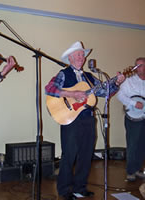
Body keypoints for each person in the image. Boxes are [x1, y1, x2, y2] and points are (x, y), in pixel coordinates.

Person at [45, 41, 125, 200]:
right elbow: (50, 89)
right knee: (69, 155)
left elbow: (104, 92)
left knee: (86, 155)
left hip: (88, 119)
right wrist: (73, 94)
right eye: (78, 55)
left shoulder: (89, 77)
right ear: (70, 57)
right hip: (70, 120)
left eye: (83, 55)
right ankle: (64, 190)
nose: (82, 57)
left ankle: (79, 188)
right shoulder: (64, 73)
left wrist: (116, 82)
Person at [117, 57, 145, 182]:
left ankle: (138, 169)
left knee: (142, 145)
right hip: (133, 118)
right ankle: (130, 171)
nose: (137, 68)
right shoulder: (128, 81)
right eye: (136, 66)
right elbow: (120, 95)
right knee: (132, 144)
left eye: (140, 65)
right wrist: (134, 103)